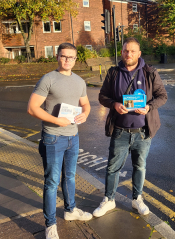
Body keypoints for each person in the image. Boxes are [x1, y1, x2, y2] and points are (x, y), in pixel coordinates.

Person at [93, 37, 167, 218]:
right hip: (120, 130)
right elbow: (102, 96)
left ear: (139, 54)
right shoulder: (113, 73)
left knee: (139, 167)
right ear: (122, 52)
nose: (129, 54)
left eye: (133, 51)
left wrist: (149, 107)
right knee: (112, 168)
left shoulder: (150, 72)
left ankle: (137, 199)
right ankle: (109, 199)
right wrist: (114, 105)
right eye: (126, 50)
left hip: (142, 132)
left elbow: (162, 96)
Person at [27, 43, 92, 239]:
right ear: (57, 56)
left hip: (73, 136)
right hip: (53, 137)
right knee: (52, 182)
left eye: (71, 57)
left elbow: (86, 104)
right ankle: (50, 224)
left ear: (75, 59)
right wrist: (56, 120)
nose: (67, 60)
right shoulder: (48, 79)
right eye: (64, 56)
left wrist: (86, 114)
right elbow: (32, 108)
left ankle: (71, 210)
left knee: (70, 177)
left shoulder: (80, 81)